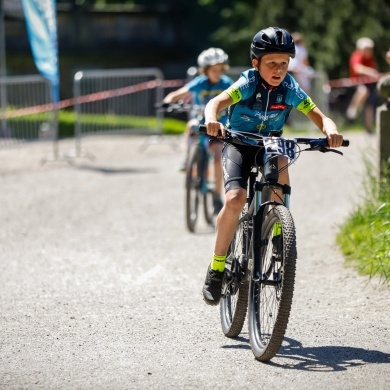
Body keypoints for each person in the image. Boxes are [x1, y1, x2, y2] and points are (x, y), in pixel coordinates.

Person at [201, 27, 344, 305]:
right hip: (239, 143)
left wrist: (331, 129)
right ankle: (217, 268)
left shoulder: (289, 87)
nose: (278, 69)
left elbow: (319, 115)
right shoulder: (248, 83)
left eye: (283, 63)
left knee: (281, 161)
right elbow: (216, 103)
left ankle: (279, 231)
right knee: (235, 198)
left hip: (270, 144)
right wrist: (212, 119)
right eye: (271, 64)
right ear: (256, 63)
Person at [162, 48, 234, 212]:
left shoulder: (227, 83)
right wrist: (167, 101)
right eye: (213, 70)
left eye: (220, 70)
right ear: (205, 70)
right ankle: (188, 158)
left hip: (219, 123)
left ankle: (216, 195)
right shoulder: (199, 82)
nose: (217, 73)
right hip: (201, 121)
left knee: (217, 157)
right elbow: (177, 94)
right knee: (190, 125)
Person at [346, 37, 381, 133]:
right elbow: (357, 68)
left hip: (369, 84)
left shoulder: (370, 58)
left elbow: (375, 68)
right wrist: (371, 72)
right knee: (363, 91)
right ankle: (353, 110)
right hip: (357, 83)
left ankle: (369, 128)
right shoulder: (356, 56)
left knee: (370, 105)